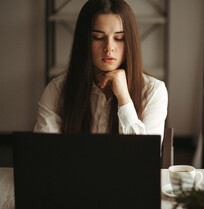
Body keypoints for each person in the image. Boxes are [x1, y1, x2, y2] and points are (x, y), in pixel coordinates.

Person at [34, 0, 168, 140]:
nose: (109, 47)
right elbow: (46, 153)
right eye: (98, 37)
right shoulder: (57, 90)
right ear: (84, 41)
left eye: (119, 38)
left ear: (130, 41)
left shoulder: (153, 91)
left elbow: (144, 157)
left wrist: (124, 99)